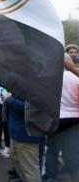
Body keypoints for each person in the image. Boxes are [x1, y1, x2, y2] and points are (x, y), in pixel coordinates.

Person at [43, 53, 79, 181]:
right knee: (73, 151)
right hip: (74, 119)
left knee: (52, 149)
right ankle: (75, 177)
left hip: (56, 118)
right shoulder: (76, 78)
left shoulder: (51, 78)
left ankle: (50, 177)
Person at [3, 93, 43, 182]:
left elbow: (31, 108)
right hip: (17, 133)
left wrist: (9, 99)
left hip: (27, 135)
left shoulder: (34, 86)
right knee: (20, 165)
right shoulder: (23, 83)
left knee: (31, 172)